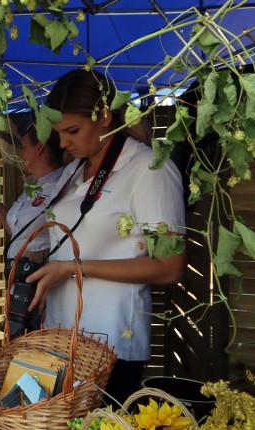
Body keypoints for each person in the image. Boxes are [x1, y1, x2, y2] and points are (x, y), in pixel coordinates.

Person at [26, 68, 186, 406]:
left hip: (111, 344)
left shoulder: (149, 169)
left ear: (104, 117)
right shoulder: (73, 169)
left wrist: (74, 268)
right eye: (59, 133)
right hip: (61, 338)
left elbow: (170, 267)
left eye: (72, 131)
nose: (64, 143)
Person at [0, 113, 67, 337]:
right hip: (18, 282)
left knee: (32, 343)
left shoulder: (62, 186)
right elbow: (23, 234)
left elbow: (68, 237)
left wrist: (42, 255)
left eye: (23, 147)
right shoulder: (33, 185)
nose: (20, 153)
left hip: (41, 285)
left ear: (39, 148)